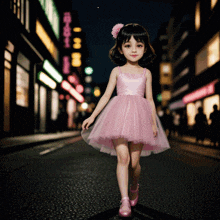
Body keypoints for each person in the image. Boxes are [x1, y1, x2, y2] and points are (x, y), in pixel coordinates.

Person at [81, 23, 170, 218]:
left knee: (134, 163)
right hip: (118, 116)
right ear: (120, 48)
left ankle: (134, 185)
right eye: (128, 45)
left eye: (139, 45)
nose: (134, 50)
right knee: (123, 158)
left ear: (145, 48)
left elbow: (149, 99)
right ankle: (124, 200)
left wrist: (154, 123)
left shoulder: (146, 73)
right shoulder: (117, 71)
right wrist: (93, 116)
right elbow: (105, 96)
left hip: (139, 118)